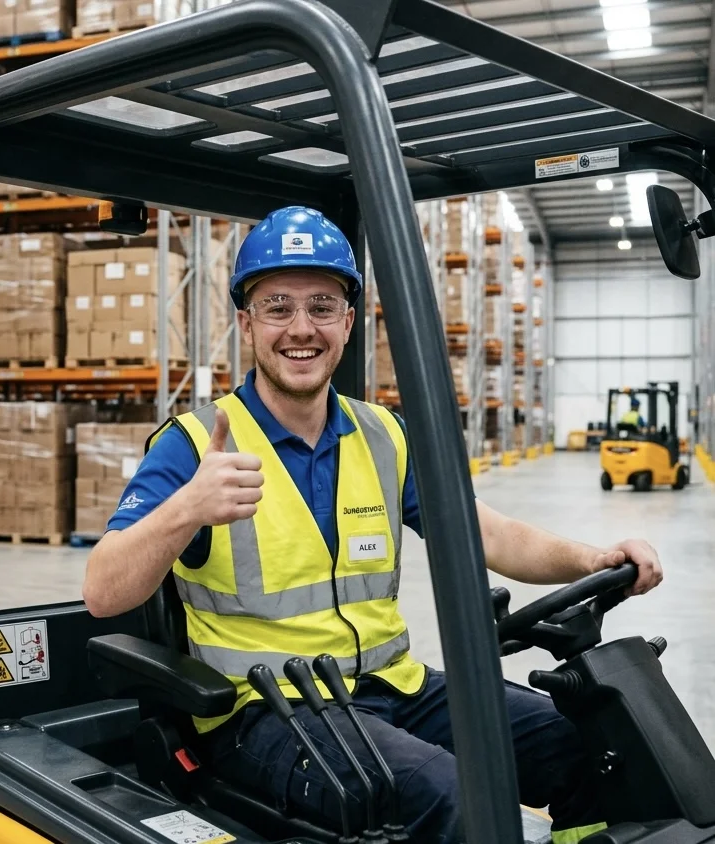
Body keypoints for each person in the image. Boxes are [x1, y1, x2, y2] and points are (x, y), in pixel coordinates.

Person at [83, 206, 663, 844]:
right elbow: (104, 590)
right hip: (269, 712)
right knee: (453, 796)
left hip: (396, 687)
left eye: (323, 306)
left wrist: (595, 560)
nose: (301, 328)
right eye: (277, 306)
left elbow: (488, 536)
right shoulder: (196, 445)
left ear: (349, 322)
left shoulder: (384, 435)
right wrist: (187, 507)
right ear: (246, 324)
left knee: (594, 744)